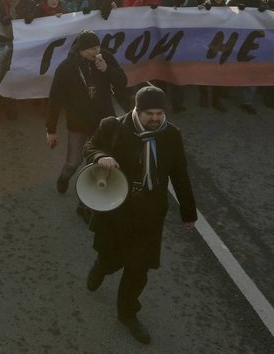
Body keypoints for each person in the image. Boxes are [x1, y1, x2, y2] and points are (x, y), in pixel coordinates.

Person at [83, 86, 197, 345]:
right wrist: (102, 156)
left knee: (138, 268)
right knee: (112, 257)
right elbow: (90, 146)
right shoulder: (113, 126)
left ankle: (127, 314)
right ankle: (102, 266)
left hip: (150, 212)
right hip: (116, 207)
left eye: (159, 113)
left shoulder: (171, 135)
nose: (155, 118)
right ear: (136, 109)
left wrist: (188, 212)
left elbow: (180, 174)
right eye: (149, 113)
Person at [46, 31, 128, 211]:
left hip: (104, 122)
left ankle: (86, 203)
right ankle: (64, 177)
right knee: (73, 162)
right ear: (81, 49)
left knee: (97, 163)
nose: (96, 51)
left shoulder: (105, 58)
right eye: (92, 48)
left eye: (98, 46)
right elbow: (55, 99)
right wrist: (50, 129)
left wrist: (106, 69)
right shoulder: (67, 67)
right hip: (78, 123)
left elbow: (122, 81)